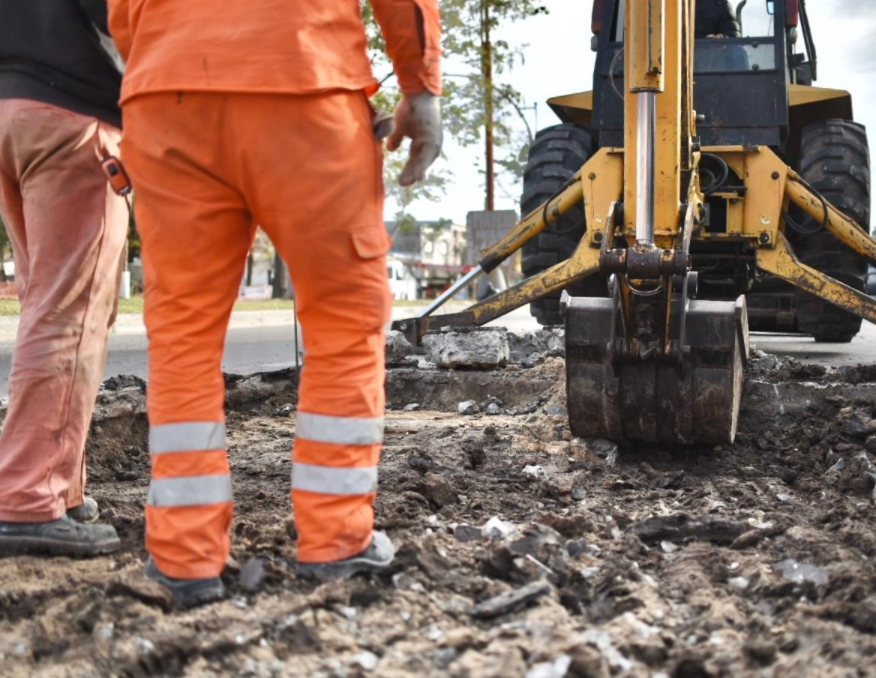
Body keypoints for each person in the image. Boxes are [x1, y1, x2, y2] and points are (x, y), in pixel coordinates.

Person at [107, 0, 442, 606]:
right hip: (304, 82)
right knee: (344, 319)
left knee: (181, 332)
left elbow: (123, 16)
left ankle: (184, 556)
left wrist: (166, 69)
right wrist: (419, 87)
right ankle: (337, 540)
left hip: (165, 97)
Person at [0, 1, 126, 555]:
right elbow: (127, 25)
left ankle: (61, 487)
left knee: (50, 304)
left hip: (10, 111)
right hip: (70, 119)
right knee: (68, 315)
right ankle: (28, 499)